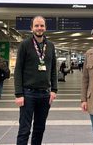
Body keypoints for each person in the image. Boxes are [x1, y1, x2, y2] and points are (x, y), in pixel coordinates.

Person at [14, 16, 57, 145]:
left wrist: (54, 90)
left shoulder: (50, 46)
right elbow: (18, 70)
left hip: (45, 94)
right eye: (37, 26)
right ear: (31, 28)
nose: (39, 28)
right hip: (28, 94)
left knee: (39, 128)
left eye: (42, 25)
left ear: (45, 28)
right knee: (24, 129)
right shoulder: (25, 44)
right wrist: (19, 94)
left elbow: (53, 69)